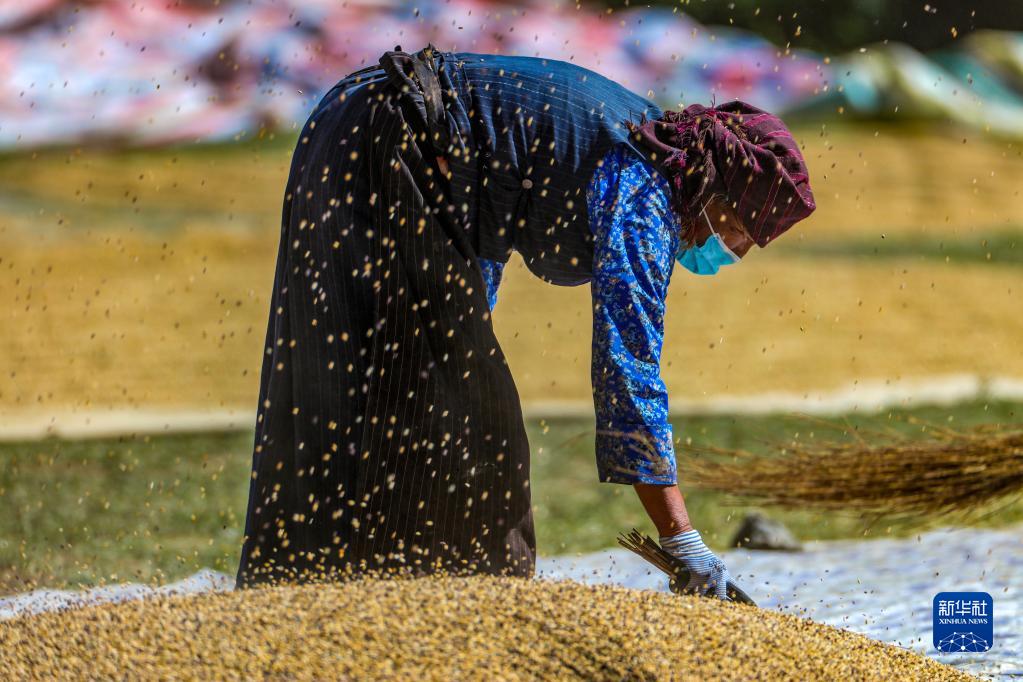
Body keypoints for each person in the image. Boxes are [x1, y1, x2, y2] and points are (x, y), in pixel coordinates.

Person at [236, 43, 816, 599]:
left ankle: (311, 591)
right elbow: (628, 367)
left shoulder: (640, 147)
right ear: (716, 189)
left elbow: (478, 215)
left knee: (363, 387)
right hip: (390, 137)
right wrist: (680, 536)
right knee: (471, 428)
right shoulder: (644, 184)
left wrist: (458, 326)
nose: (735, 253)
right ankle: (452, 610)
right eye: (740, 232)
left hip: (360, 126)